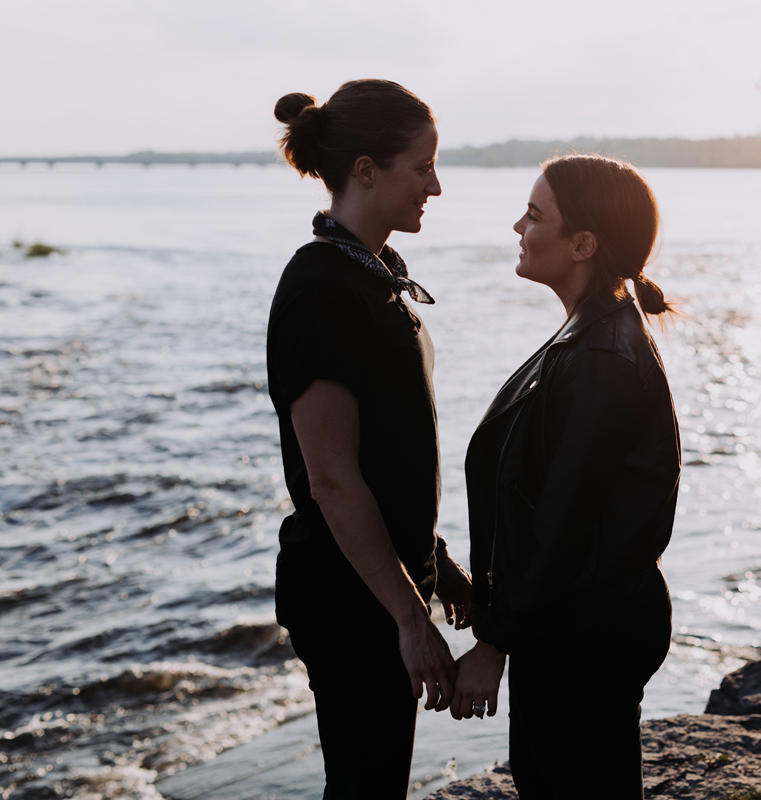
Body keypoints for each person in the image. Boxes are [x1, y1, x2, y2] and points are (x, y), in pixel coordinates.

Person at [451, 154, 682, 798]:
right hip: (572, 620)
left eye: (534, 214)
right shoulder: (587, 334)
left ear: (583, 243)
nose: (517, 227)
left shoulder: (601, 356)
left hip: (586, 631)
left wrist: (494, 643)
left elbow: (562, 517)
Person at [266, 79, 472, 798]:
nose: (435, 186)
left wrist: (435, 562)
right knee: (364, 787)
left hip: (385, 582)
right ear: (365, 170)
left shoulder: (374, 277)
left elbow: (392, 449)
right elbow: (331, 480)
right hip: (349, 596)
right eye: (422, 168)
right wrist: (410, 619)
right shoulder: (320, 289)